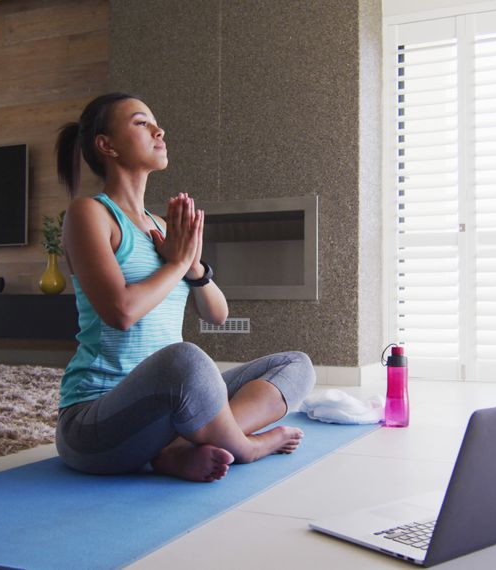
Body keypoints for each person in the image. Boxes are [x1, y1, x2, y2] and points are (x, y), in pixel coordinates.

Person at [53, 92, 316, 482]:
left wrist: (193, 266)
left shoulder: (161, 227)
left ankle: (176, 447)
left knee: (296, 366)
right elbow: (120, 312)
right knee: (188, 360)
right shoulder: (89, 214)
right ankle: (246, 446)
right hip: (95, 423)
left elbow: (218, 314)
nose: (159, 130)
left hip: (168, 408)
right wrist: (176, 262)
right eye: (141, 123)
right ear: (106, 145)